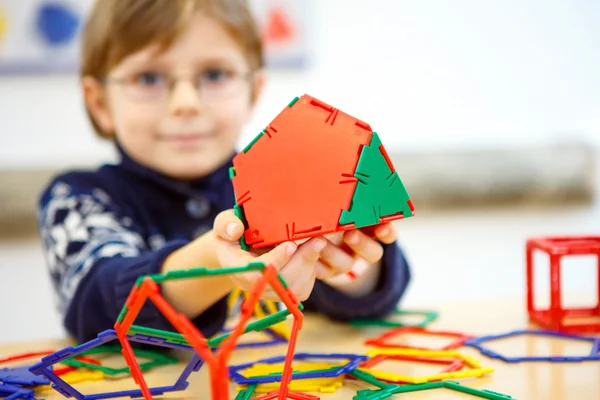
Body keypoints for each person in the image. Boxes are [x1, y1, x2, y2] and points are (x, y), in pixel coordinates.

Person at [37, 0, 412, 344]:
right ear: (100, 103)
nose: (187, 103)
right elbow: (97, 305)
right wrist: (214, 262)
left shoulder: (288, 185)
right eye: (148, 78)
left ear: (253, 91)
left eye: (215, 74)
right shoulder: (76, 199)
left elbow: (372, 301)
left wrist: (351, 266)